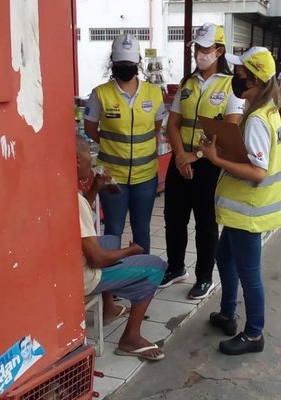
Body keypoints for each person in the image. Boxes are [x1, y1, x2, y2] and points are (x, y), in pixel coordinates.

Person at [198, 47, 281, 355]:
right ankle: (226, 313)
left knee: (250, 276)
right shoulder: (265, 111)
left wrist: (215, 158)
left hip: (249, 212)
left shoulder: (259, 120)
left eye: (239, 76)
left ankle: (254, 334)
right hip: (241, 212)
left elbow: (258, 172)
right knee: (224, 257)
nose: (235, 80)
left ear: (255, 80)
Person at [161, 22, 244, 300]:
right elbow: (172, 123)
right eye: (197, 47)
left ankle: (205, 277)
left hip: (208, 164)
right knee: (173, 217)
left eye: (205, 48)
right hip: (180, 161)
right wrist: (180, 156)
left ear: (219, 51)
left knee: (206, 223)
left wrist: (194, 156)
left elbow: (229, 130)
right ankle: (175, 268)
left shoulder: (231, 86)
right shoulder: (187, 83)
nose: (199, 53)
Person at [76, 137, 167, 360]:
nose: (92, 158)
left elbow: (80, 215)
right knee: (156, 267)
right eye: (89, 152)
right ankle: (131, 337)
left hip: (65, 264)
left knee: (110, 241)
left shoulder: (62, 189)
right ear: (77, 160)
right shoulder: (73, 198)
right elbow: (97, 259)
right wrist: (131, 251)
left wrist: (96, 187)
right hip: (82, 275)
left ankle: (110, 308)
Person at [84, 33, 167, 254]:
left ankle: (143, 278)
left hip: (146, 176)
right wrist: (113, 145)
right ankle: (114, 281)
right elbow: (90, 129)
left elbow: (157, 126)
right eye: (121, 63)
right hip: (112, 177)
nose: (126, 67)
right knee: (113, 229)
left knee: (142, 229)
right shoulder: (100, 94)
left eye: (130, 63)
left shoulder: (153, 92)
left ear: (138, 61)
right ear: (113, 61)